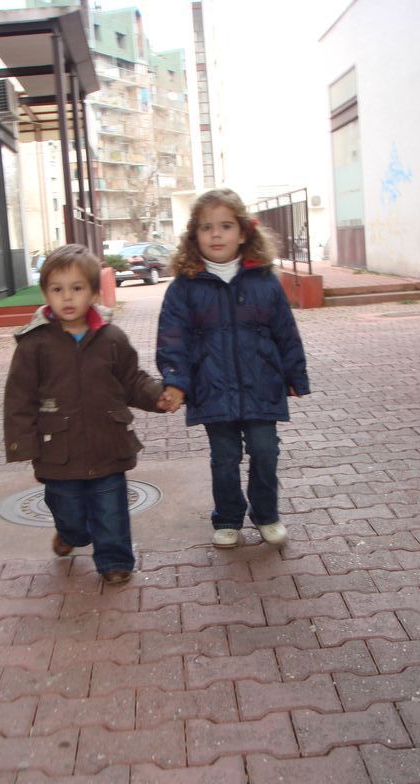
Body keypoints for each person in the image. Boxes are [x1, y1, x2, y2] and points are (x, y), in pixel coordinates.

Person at [4, 244, 171, 584]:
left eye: (77, 288)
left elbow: (131, 379)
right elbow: (19, 398)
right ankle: (70, 534)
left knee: (111, 510)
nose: (67, 297)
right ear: (46, 294)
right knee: (68, 510)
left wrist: (158, 396)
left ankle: (115, 562)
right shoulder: (34, 344)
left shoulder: (111, 338)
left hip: (108, 444)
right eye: (57, 289)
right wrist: (24, 445)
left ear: (94, 293)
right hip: (58, 450)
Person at [156, 188, 310, 549]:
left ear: (243, 233)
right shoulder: (184, 287)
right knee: (224, 457)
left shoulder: (264, 280)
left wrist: (295, 374)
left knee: (265, 450)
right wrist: (176, 381)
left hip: (262, 384)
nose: (216, 234)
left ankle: (266, 514)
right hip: (211, 387)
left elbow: (286, 331)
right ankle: (227, 517)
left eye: (225, 226)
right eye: (206, 227)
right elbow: (172, 338)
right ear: (194, 235)